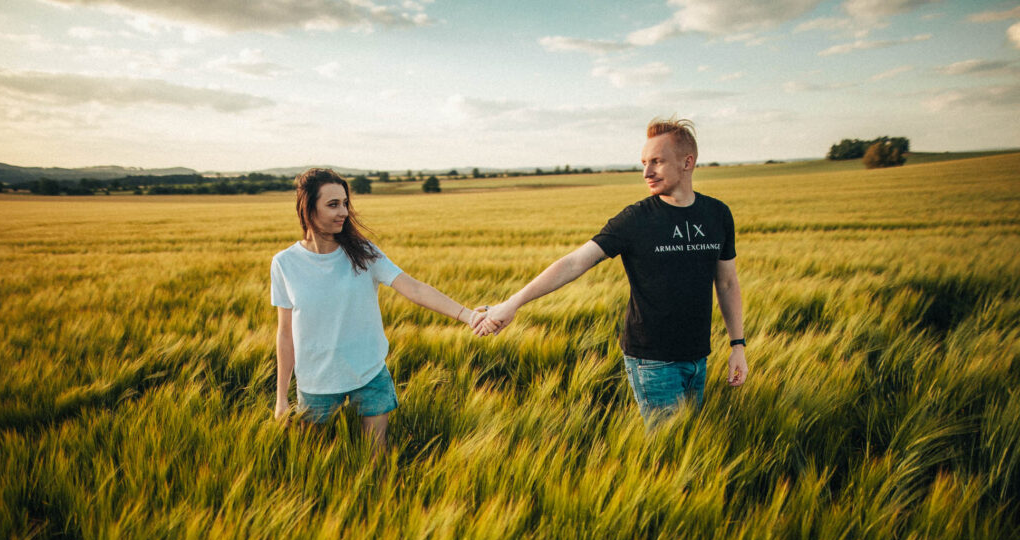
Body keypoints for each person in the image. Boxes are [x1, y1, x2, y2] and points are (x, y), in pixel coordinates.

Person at [475, 116, 747, 423]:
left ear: (687, 162)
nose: (646, 172)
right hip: (653, 360)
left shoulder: (717, 214)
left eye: (657, 161)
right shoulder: (636, 219)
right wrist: (513, 303)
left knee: (686, 442)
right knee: (668, 454)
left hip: (698, 355)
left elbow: (726, 283)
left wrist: (737, 345)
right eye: (644, 162)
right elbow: (575, 261)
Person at [272, 168, 484, 449]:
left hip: (369, 374)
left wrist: (468, 316)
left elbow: (414, 288)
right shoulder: (285, 263)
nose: (344, 212)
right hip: (316, 382)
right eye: (333, 204)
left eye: (345, 203)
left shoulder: (363, 252)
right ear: (308, 209)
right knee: (315, 459)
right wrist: (281, 398)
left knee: (377, 459)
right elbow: (285, 334)